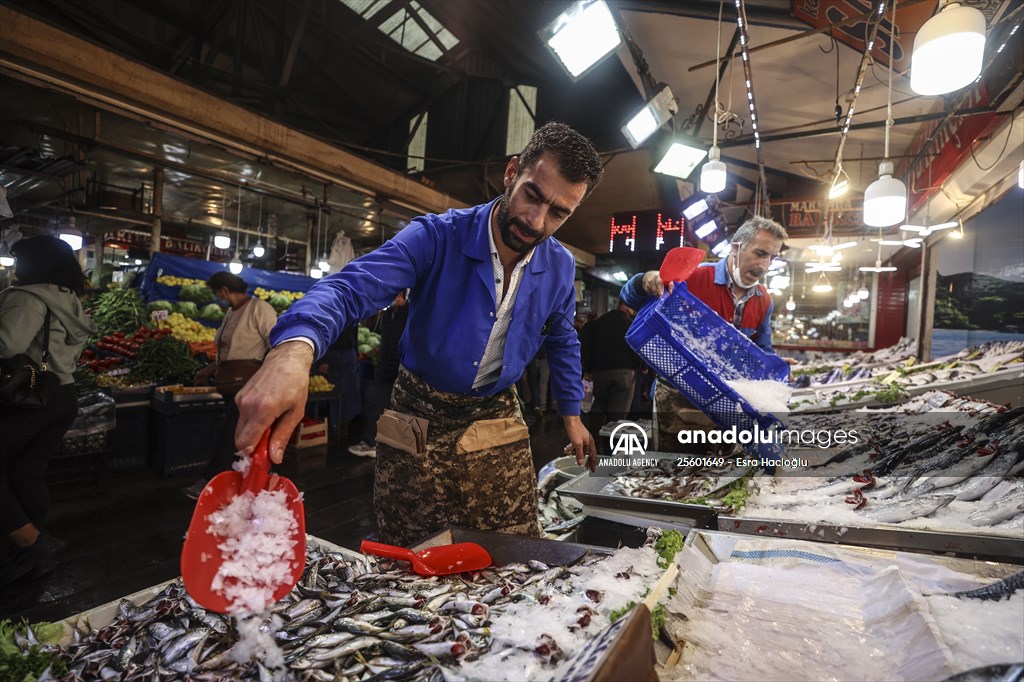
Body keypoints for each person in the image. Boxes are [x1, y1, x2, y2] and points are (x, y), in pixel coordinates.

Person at [234, 121, 604, 545]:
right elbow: (349, 287)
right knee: (408, 547)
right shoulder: (436, 236)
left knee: (515, 547)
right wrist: (293, 351)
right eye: (532, 196)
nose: (536, 222)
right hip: (418, 409)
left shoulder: (560, 267)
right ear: (512, 172)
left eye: (559, 213)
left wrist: (572, 416)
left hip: (495, 411)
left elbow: (562, 338)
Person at [619, 215, 792, 449]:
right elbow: (630, 296)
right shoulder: (695, 276)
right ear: (736, 248)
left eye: (772, 257)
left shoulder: (764, 300)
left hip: (729, 406)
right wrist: (647, 280)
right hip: (678, 400)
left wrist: (773, 366)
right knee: (676, 474)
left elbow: (761, 349)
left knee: (720, 474)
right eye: (760, 253)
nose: (765, 265)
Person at [0, 236, 93, 585]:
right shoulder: (69, 299)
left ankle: (30, 541)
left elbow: (7, 344)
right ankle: (26, 546)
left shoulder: (27, 298)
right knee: (28, 471)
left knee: (19, 469)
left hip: (27, 397)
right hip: (62, 395)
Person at [183, 271, 276, 499]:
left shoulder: (259, 308)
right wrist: (208, 370)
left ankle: (211, 482)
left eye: (216, 293)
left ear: (224, 291)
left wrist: (270, 377)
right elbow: (226, 352)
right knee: (235, 436)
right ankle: (242, 485)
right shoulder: (231, 313)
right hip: (229, 385)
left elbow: (275, 342)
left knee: (230, 435)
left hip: (249, 385)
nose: (217, 297)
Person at [349, 290, 410, 458]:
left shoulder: (409, 313)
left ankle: (393, 447)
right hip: (384, 371)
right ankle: (371, 442)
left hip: (400, 372)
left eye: (393, 296)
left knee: (398, 410)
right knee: (376, 406)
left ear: (401, 296)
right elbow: (385, 342)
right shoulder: (387, 314)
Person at [579, 301, 642, 432]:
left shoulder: (599, 323)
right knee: (618, 412)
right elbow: (637, 348)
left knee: (598, 406)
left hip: (600, 373)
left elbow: (588, 346)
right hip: (624, 373)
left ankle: (593, 439)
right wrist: (640, 365)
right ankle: (611, 446)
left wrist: (589, 368)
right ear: (626, 306)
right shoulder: (630, 324)